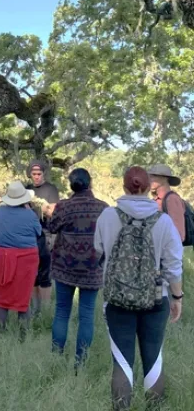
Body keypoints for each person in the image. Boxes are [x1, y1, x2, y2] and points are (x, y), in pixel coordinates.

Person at [95, 166, 183, 411]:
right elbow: (173, 265)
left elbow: (99, 249)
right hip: (156, 299)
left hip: (117, 300)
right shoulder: (163, 221)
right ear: (147, 188)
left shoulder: (107, 216)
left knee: (122, 361)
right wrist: (177, 296)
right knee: (154, 358)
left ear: (124, 187)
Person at [47, 169, 108, 367]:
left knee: (62, 312)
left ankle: (56, 357)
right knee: (87, 315)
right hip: (92, 268)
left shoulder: (64, 206)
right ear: (90, 183)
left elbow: (52, 227)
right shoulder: (103, 208)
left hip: (65, 266)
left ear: (71, 185)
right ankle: (80, 363)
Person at [0, 181, 42, 341]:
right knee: (23, 295)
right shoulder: (29, 214)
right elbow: (39, 231)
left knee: (2, 294)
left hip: (3, 256)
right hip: (26, 258)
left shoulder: (0, 211)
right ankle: (23, 335)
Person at [26, 160, 60, 314]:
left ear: (44, 173)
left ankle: (45, 309)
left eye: (39, 174)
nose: (37, 177)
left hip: (46, 232)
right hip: (29, 233)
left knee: (45, 271)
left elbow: (54, 212)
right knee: (31, 271)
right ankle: (34, 306)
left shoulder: (51, 189)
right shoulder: (27, 189)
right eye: (34, 174)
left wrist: (43, 206)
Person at [148, 164, 185, 242]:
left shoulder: (172, 199)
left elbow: (179, 234)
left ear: (165, 178)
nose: (150, 179)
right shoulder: (154, 201)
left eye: (154, 176)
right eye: (149, 176)